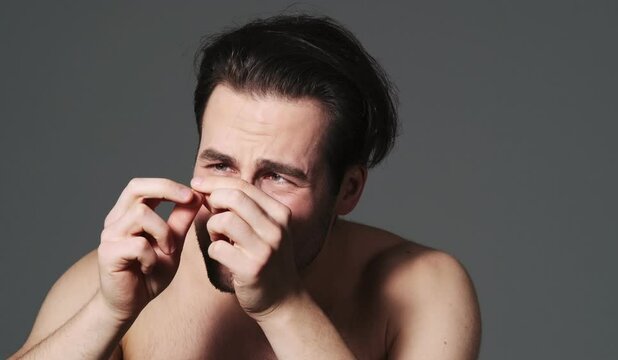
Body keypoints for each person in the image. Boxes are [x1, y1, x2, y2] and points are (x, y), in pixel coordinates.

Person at [11, 14, 481, 359]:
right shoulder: (122, 276)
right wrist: (107, 313)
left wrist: (284, 304)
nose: (237, 202)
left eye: (277, 177)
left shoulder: (424, 287)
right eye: (219, 166)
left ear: (348, 189)